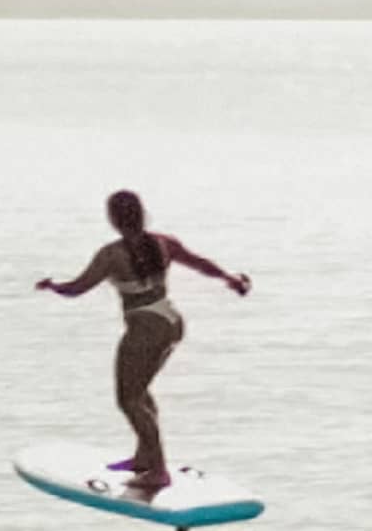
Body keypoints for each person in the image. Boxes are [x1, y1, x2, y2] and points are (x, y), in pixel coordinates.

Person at [36, 189, 250, 496]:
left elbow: (77, 288)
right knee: (140, 391)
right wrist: (229, 278)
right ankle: (144, 456)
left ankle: (158, 470)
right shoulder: (163, 243)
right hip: (171, 321)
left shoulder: (111, 254)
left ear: (112, 218)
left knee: (128, 399)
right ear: (141, 213)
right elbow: (199, 263)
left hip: (145, 327)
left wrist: (53, 286)